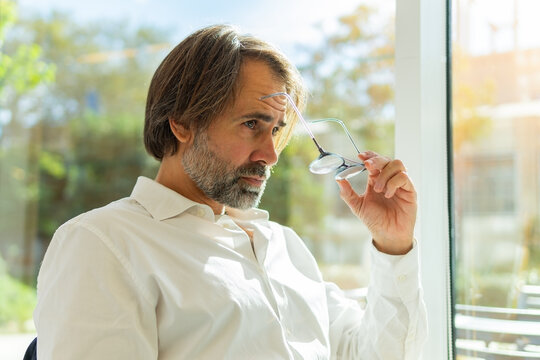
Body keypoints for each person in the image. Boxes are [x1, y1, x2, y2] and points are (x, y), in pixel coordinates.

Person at [34, 25, 427, 359]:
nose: (271, 154)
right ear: (183, 124)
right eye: (251, 123)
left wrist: (393, 245)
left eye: (275, 129)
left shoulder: (284, 247)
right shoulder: (103, 244)